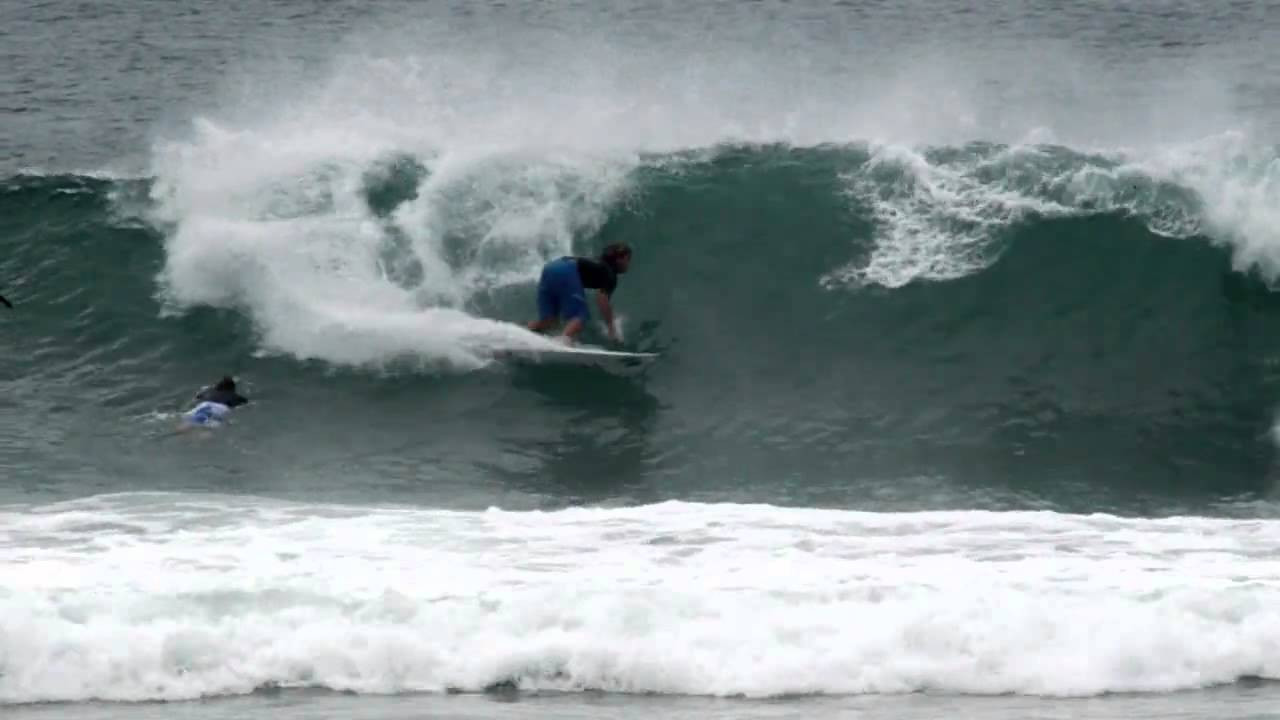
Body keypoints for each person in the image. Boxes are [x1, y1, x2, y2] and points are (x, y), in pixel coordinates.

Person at [527, 243, 632, 343]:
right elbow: (602, 299)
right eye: (628, 259)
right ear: (619, 260)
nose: (628, 264)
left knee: (549, 321)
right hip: (567, 269)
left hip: (551, 267)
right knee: (580, 316)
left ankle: (524, 335)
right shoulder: (610, 274)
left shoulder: (598, 263)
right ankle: (562, 341)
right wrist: (611, 328)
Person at [179, 376, 249, 429]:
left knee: (191, 421)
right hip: (219, 408)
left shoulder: (208, 391)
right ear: (232, 388)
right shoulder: (234, 396)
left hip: (203, 406)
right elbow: (244, 403)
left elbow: (197, 397)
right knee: (207, 428)